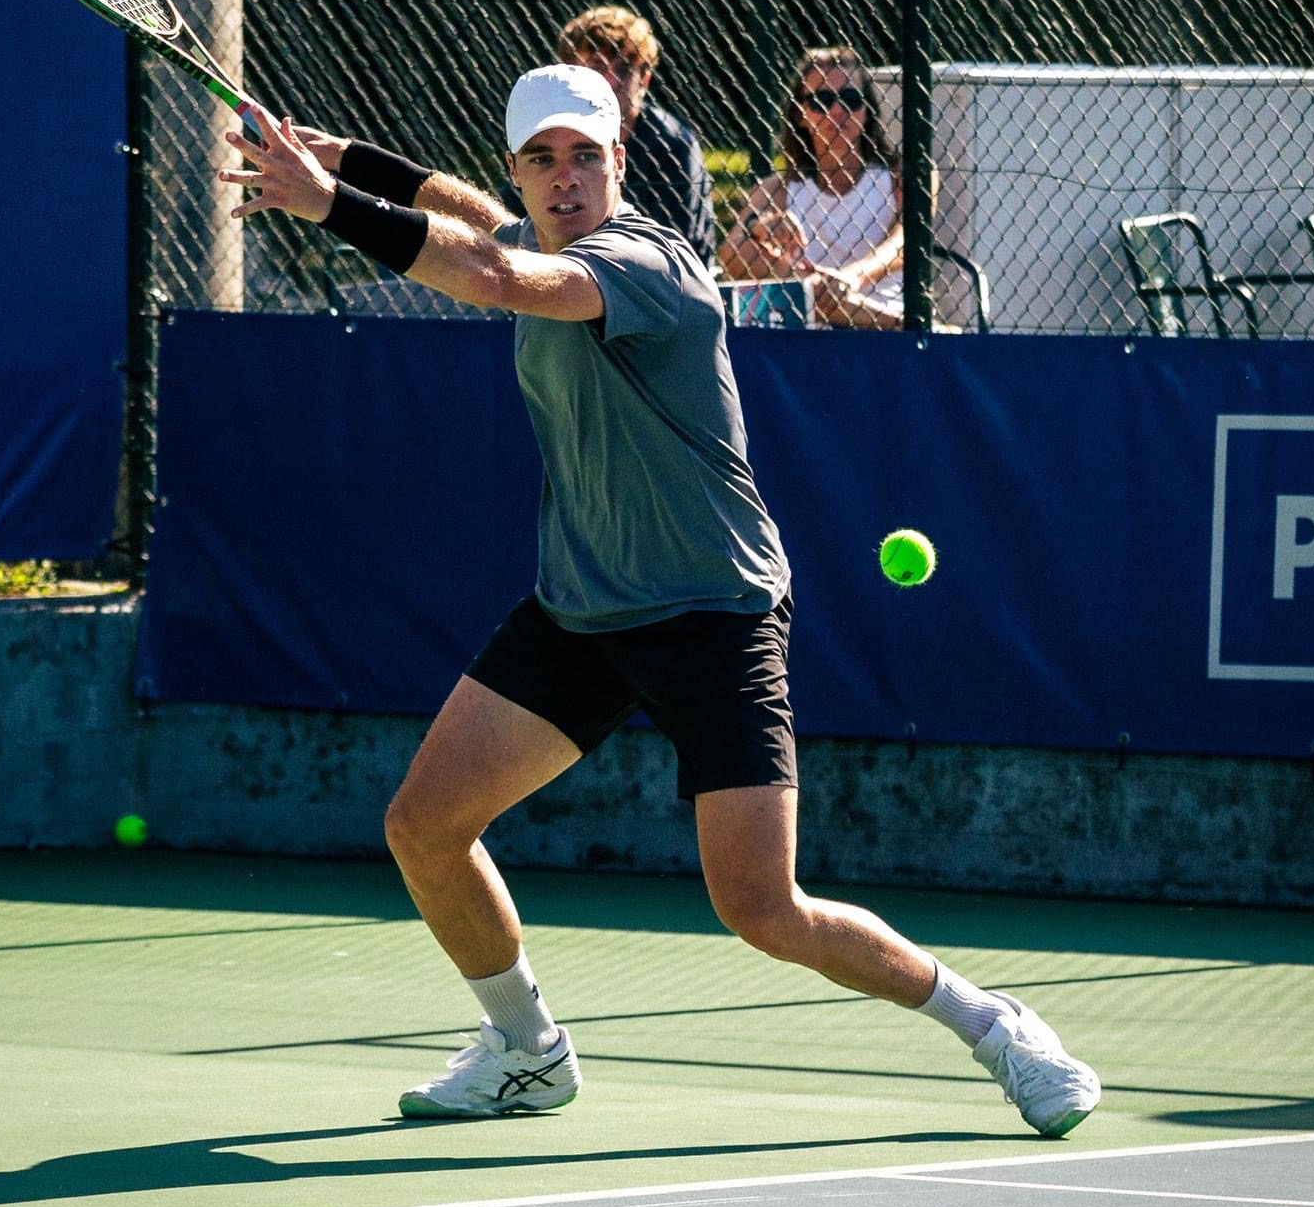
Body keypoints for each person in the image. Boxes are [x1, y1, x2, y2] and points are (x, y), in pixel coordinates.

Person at [216, 66, 1100, 1137]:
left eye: (585, 155)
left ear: (620, 162)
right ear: (518, 172)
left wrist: (330, 204)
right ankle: (525, 1049)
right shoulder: (529, 227)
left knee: (762, 908)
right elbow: (467, 212)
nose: (565, 176)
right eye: (541, 158)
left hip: (712, 612)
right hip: (582, 606)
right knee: (424, 824)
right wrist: (350, 158)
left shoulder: (647, 262)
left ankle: (996, 1026)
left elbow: (492, 271)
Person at [720, 45, 905, 329]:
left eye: (851, 99)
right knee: (794, 288)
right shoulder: (780, 187)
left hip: (884, 325)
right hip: (811, 326)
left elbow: (906, 243)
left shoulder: (898, 176)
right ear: (800, 114)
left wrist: (851, 277)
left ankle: (870, 316)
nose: (838, 111)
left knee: (803, 296)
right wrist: (760, 227)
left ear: (867, 110)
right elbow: (729, 254)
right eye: (822, 100)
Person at [556, 4, 716, 267]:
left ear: (645, 80)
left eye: (623, 69)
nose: (611, 81)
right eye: (597, 67)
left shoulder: (673, 145)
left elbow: (683, 253)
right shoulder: (548, 136)